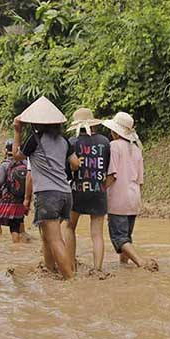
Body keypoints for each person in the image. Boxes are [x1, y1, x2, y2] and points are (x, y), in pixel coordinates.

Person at [13, 97, 79, 279]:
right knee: (47, 236)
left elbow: (17, 156)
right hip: (66, 194)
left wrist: (17, 131)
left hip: (48, 195)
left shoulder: (35, 139)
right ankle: (50, 271)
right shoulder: (64, 140)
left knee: (55, 239)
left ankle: (70, 279)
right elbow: (74, 163)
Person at [103, 111, 157, 271]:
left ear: (114, 132)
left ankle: (141, 263)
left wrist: (100, 190)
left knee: (119, 238)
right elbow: (140, 180)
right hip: (133, 198)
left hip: (118, 198)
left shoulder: (113, 147)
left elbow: (112, 175)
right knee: (126, 236)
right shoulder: (136, 149)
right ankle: (124, 266)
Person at [65, 108, 111, 275]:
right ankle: (97, 269)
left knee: (70, 227)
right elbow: (107, 168)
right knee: (97, 233)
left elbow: (67, 171)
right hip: (98, 190)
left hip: (77, 190)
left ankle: (71, 266)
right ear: (93, 124)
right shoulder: (105, 142)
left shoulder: (71, 142)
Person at [0, 140, 31, 243]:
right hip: (22, 197)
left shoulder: (5, 165)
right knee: (19, 220)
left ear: (6, 150)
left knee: (13, 225)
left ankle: (17, 247)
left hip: (10, 197)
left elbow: (0, 181)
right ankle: (24, 240)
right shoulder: (25, 163)